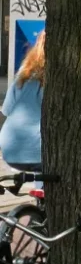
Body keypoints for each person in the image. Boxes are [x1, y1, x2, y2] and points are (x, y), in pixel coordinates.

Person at [0, 31, 45, 174]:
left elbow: (6, 109)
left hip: (10, 149)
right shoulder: (61, 77)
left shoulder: (24, 71)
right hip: (39, 152)